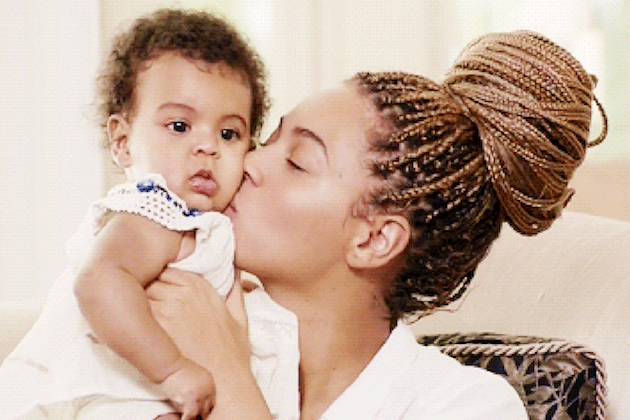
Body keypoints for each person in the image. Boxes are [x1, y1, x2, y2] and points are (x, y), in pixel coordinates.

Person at [146, 30, 608, 420]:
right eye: (267, 139)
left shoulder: (464, 405)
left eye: (297, 161)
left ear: (375, 239)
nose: (248, 161)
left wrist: (226, 376)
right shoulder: (171, 324)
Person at [0, 9, 300, 420]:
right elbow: (98, 281)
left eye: (228, 133)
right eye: (179, 126)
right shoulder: (153, 210)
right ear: (123, 143)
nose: (207, 146)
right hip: (101, 393)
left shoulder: (207, 228)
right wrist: (171, 371)